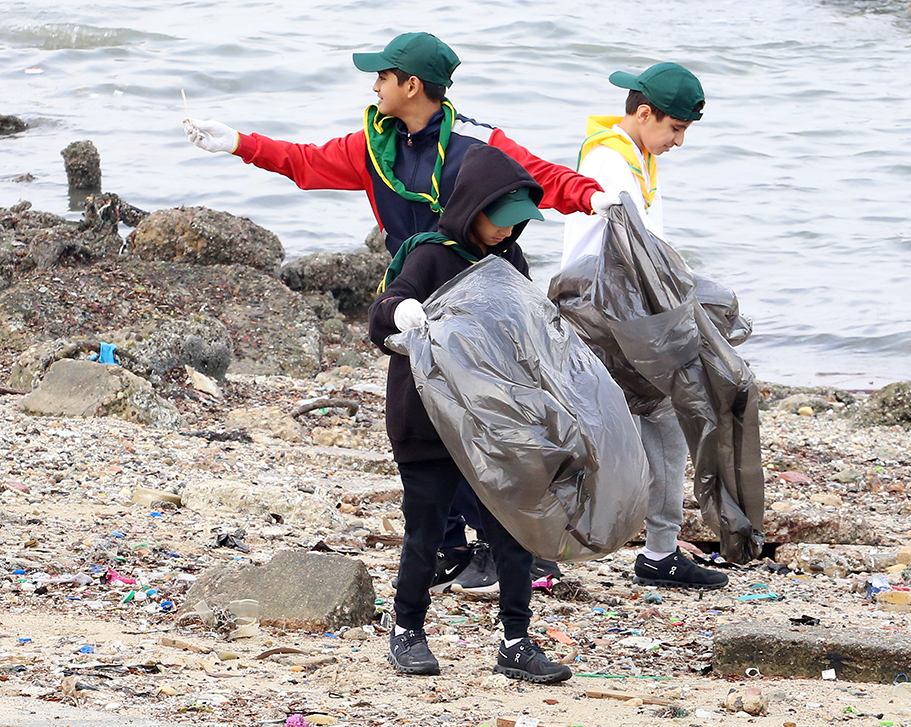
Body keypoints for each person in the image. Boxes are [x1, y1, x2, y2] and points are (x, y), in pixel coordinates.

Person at [183, 31, 611, 595]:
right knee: (426, 422)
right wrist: (239, 141)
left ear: (413, 85)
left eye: (383, 76)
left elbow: (538, 179)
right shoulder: (374, 145)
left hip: (484, 294)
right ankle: (451, 548)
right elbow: (304, 164)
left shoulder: (475, 143)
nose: (375, 84)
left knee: (485, 423)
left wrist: (593, 196)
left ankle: (525, 554)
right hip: (414, 293)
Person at [368, 143, 572, 683]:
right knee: (427, 529)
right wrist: (401, 313)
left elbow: (523, 331)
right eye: (497, 220)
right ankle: (407, 629)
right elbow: (381, 316)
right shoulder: (430, 254)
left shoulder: (509, 262)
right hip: (428, 420)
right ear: (469, 206)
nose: (507, 232)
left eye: (515, 224)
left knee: (512, 532)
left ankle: (516, 641)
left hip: (491, 422)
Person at [561, 62, 729, 590]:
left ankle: (660, 552)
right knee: (610, 436)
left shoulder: (637, 156)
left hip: (636, 312)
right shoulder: (609, 161)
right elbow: (627, 253)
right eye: (675, 129)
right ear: (643, 113)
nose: (679, 141)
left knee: (664, 425)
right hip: (606, 315)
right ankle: (548, 547)